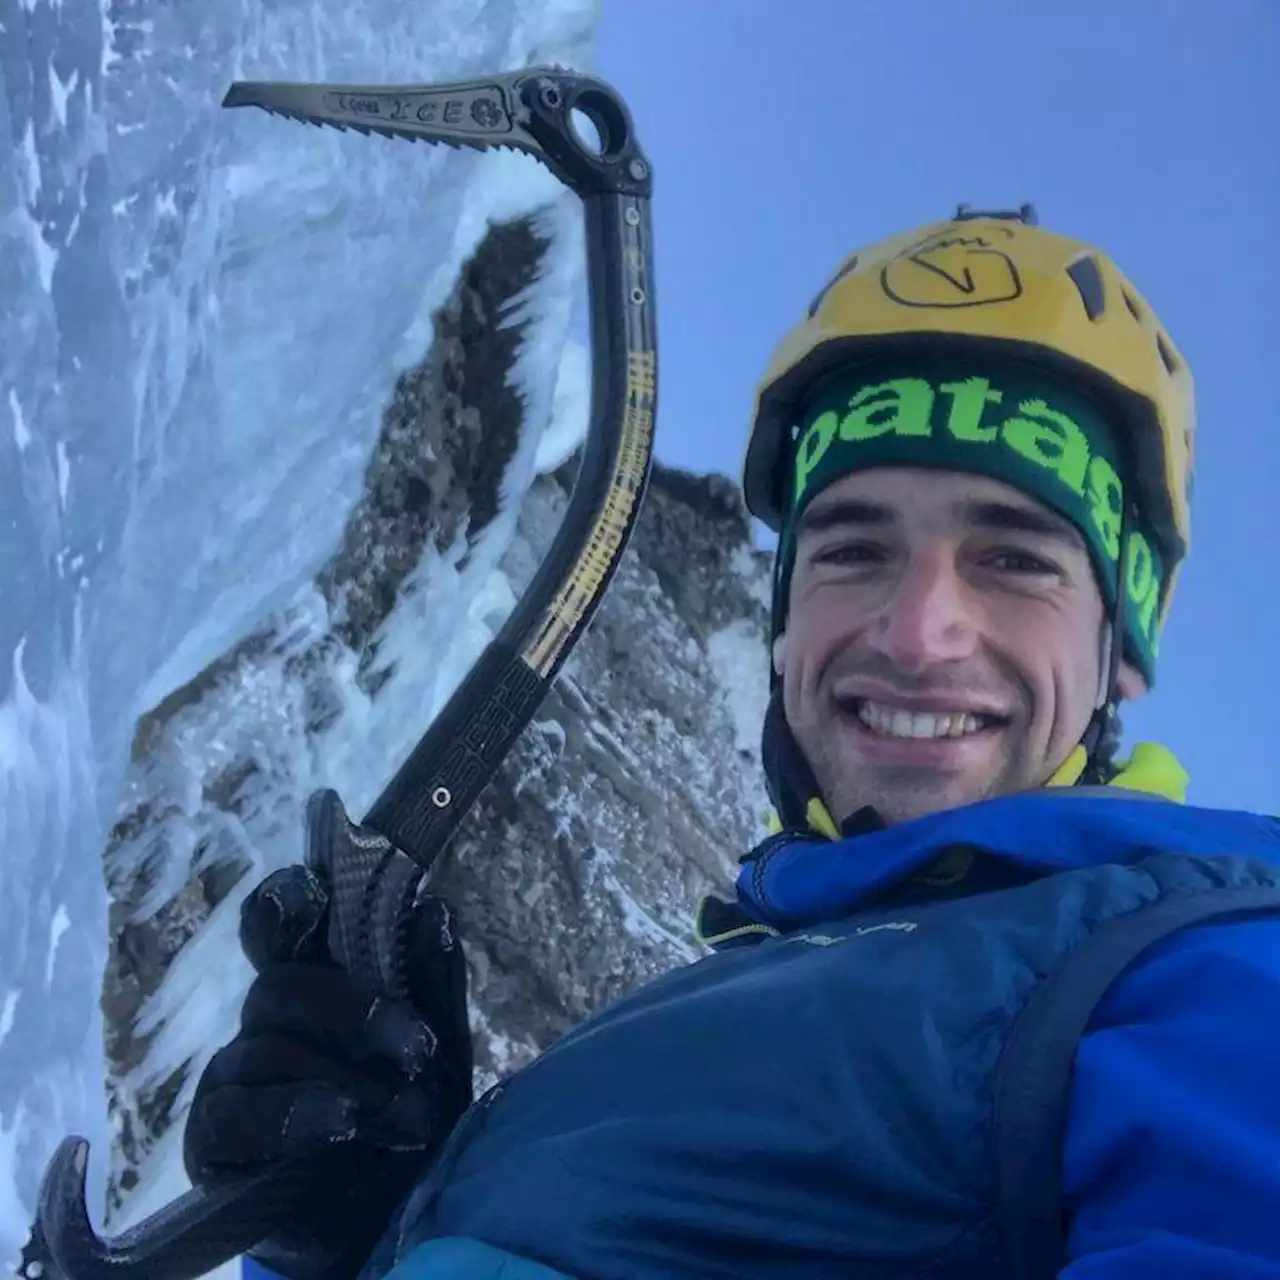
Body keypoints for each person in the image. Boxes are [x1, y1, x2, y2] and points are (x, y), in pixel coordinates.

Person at [188, 206, 1280, 1280]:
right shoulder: (734, 978)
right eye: (852, 548)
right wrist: (361, 1230)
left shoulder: (1206, 969)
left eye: (1013, 559)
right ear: (782, 615)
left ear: (1117, 646)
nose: (913, 631)